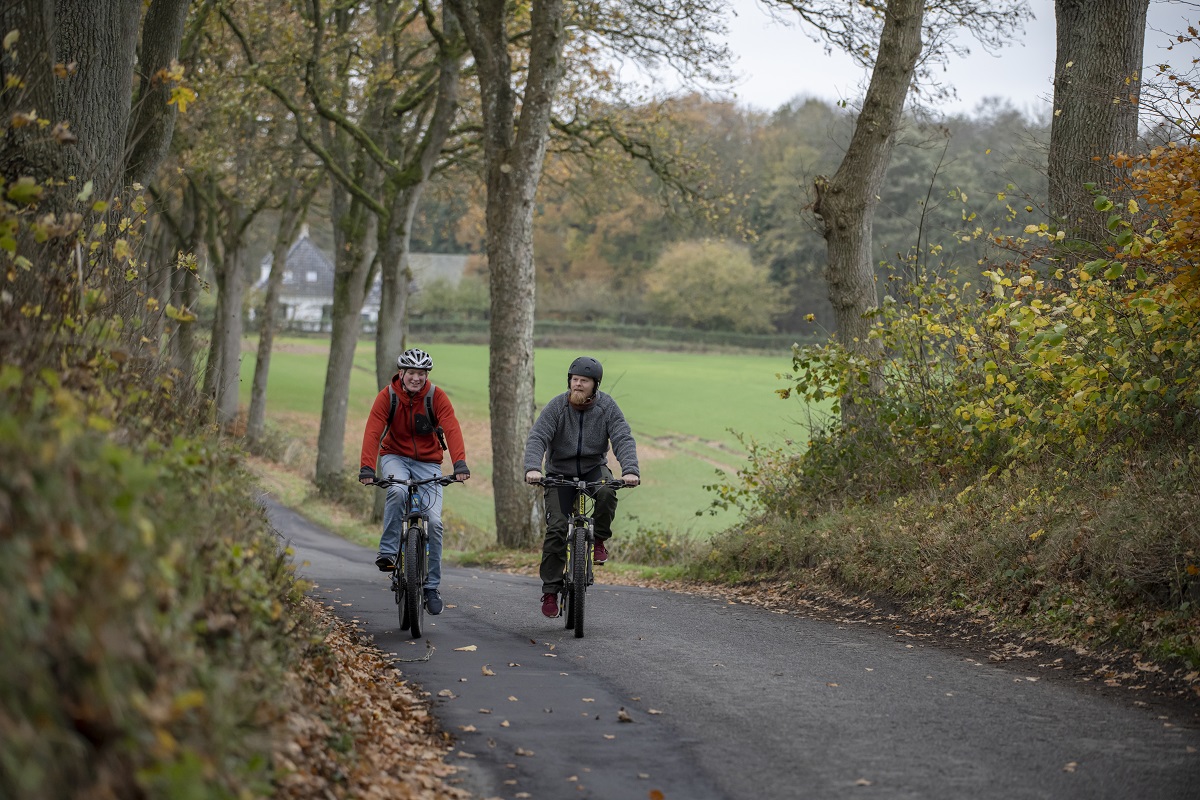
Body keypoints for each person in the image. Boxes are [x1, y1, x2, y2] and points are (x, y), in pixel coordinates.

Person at [523, 355, 640, 618]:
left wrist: (630, 470)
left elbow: (622, 436)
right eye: (574, 380)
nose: (577, 385)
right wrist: (533, 468)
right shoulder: (557, 406)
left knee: (609, 490)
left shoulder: (607, 406)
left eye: (583, 381)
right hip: (558, 473)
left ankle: (598, 539)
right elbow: (538, 437)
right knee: (555, 529)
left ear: (595, 385)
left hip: (592, 468)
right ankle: (551, 591)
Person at [358, 347, 469, 616]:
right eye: (412, 373)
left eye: (421, 373)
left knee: (435, 522)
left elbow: (451, 427)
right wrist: (366, 467)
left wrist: (460, 463)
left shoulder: (435, 396)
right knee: (396, 490)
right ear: (401, 373)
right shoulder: (387, 397)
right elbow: (373, 431)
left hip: (428, 462)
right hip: (394, 456)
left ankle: (431, 587)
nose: (416, 378)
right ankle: (387, 552)